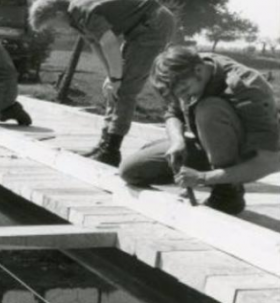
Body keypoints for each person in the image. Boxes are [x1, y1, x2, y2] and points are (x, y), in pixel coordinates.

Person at [119, 47, 280, 215]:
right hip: (208, 144)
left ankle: (227, 192)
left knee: (209, 109)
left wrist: (202, 178)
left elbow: (270, 162)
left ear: (199, 70)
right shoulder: (183, 71)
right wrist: (177, 141)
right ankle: (218, 174)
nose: (183, 98)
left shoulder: (247, 87)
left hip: (248, 155)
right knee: (131, 171)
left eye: (185, 91)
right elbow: (173, 113)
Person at [30, 0, 176, 166]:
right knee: (113, 89)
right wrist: (111, 76)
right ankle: (103, 145)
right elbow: (96, 44)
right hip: (140, 26)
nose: (56, 30)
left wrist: (117, 79)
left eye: (53, 25)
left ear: (58, 14)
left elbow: (109, 42)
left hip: (154, 23)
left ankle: (111, 150)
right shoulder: (74, 16)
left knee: (126, 89)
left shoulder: (82, 10)